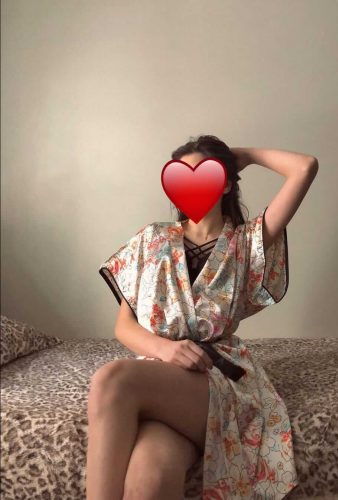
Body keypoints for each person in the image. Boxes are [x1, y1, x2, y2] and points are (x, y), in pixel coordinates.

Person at [87, 134, 319, 500]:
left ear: (224, 182)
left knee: (112, 379)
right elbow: (124, 325)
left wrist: (242, 156)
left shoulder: (248, 243)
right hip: (160, 373)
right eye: (180, 175)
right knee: (149, 481)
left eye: (203, 173)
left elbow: (304, 167)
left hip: (216, 378)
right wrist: (165, 350)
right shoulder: (151, 240)